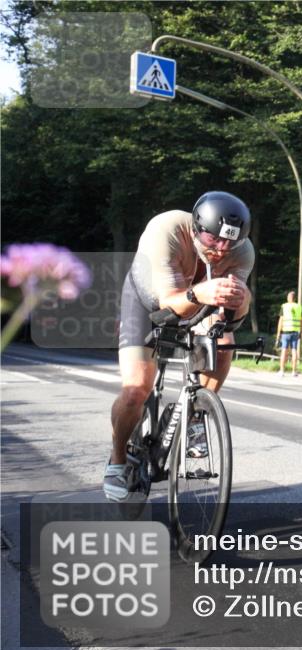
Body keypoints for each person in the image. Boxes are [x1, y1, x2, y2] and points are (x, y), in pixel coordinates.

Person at [105, 191, 255, 502]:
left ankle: (196, 415)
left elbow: (231, 320)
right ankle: (117, 460)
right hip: (150, 303)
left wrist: (241, 302)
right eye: (213, 240)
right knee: (136, 389)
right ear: (197, 228)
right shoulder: (166, 230)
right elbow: (168, 305)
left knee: (224, 343)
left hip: (199, 302)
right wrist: (199, 293)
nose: (221, 249)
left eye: (230, 243)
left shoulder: (243, 252)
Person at [275, 290, 302, 377]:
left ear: (289, 298)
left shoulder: (284, 306)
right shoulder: (299, 307)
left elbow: (281, 320)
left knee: (284, 350)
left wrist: (278, 333)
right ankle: (294, 371)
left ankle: (282, 371)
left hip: (286, 332)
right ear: (295, 298)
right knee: (294, 350)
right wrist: (301, 332)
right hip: (295, 332)